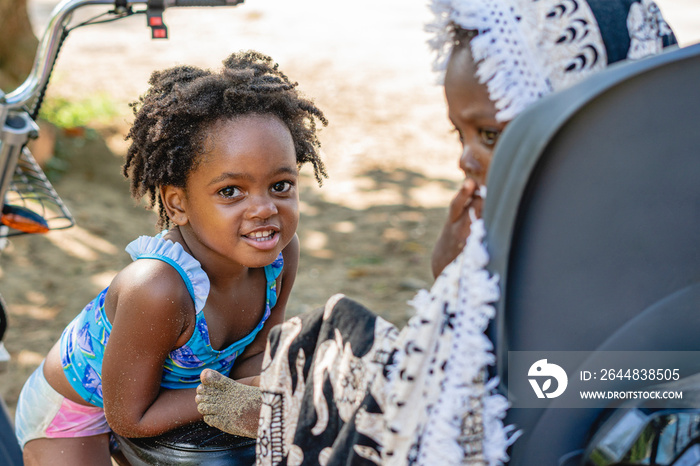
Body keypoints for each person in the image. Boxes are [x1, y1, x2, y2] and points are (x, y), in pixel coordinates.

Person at [197, 1, 678, 464]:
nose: (464, 159)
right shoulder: (654, 216)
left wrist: (466, 279)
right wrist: (453, 271)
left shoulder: (559, 259)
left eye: (488, 135)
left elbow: (507, 384)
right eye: (459, 135)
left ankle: (288, 409)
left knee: (328, 338)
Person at [14, 50, 328, 466]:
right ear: (177, 203)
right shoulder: (159, 288)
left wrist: (266, 380)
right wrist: (228, 399)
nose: (264, 209)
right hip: (79, 413)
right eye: (230, 191)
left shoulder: (280, 256)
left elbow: (254, 353)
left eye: (281, 185)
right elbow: (129, 417)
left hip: (165, 399)